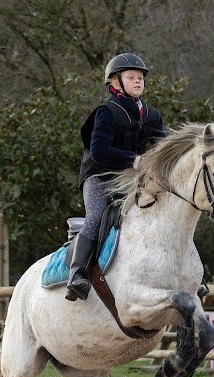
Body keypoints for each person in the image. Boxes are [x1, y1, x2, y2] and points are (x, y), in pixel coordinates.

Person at [66, 52, 166, 301]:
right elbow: (98, 150)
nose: (138, 81)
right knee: (97, 215)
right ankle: (76, 274)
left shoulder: (151, 115)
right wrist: (133, 160)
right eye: (131, 77)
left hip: (132, 180)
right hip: (99, 176)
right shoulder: (107, 112)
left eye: (140, 77)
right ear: (115, 82)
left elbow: (162, 149)